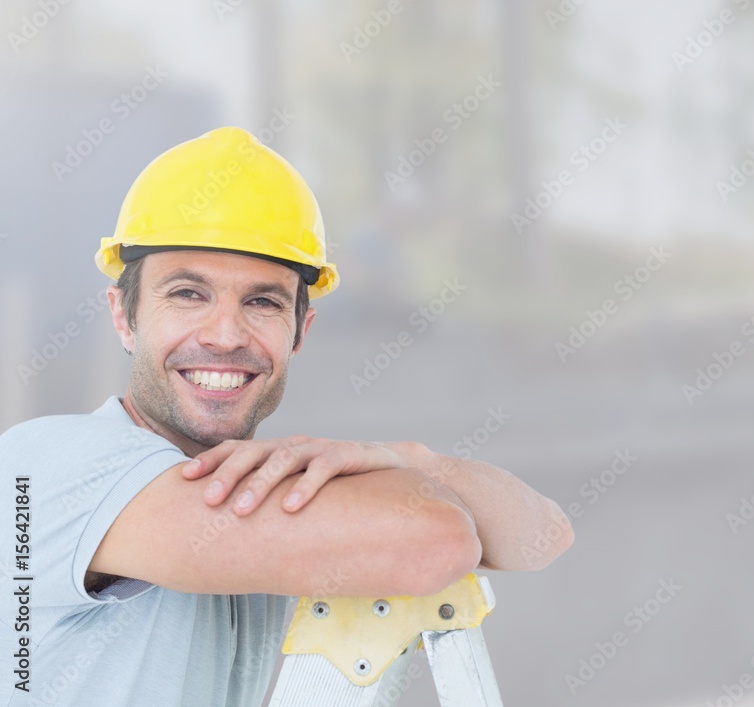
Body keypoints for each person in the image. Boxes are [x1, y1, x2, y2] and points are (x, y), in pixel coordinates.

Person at [0, 127, 574, 706]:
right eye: (187, 294)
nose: (225, 335)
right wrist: (407, 481)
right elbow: (438, 540)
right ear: (124, 317)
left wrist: (406, 458)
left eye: (262, 302)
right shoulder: (48, 467)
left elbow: (543, 534)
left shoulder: (269, 489)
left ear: (300, 331)